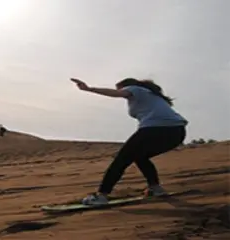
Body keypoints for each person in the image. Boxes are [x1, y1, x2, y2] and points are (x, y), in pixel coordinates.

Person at [70, 77, 188, 205]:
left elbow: (117, 93)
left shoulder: (135, 89)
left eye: (120, 89)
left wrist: (88, 89)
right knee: (140, 157)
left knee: (121, 160)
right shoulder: (152, 95)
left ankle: (102, 196)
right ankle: (156, 188)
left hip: (156, 129)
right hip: (177, 132)